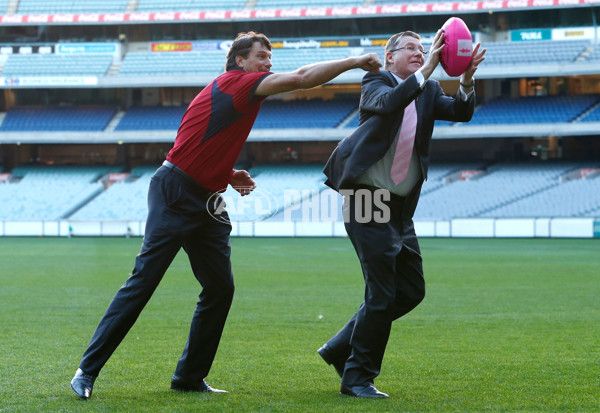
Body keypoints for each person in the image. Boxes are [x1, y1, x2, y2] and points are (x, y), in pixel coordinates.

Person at [70, 31, 382, 400]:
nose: (268, 63)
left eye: (270, 57)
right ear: (240, 61)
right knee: (143, 282)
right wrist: (354, 62)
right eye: (261, 56)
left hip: (207, 199)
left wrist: (226, 174)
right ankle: (86, 371)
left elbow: (199, 135)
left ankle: (189, 377)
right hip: (174, 192)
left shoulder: (233, 89)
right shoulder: (238, 83)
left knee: (220, 288)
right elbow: (300, 79)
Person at [319, 29, 485, 398]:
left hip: (399, 206)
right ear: (389, 56)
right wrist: (426, 69)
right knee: (381, 292)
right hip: (366, 197)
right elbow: (390, 102)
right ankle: (357, 378)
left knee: (410, 291)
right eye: (410, 48)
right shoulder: (375, 81)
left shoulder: (428, 90)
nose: (419, 52)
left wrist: (467, 80)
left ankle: (338, 347)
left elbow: (461, 111)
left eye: (423, 49)